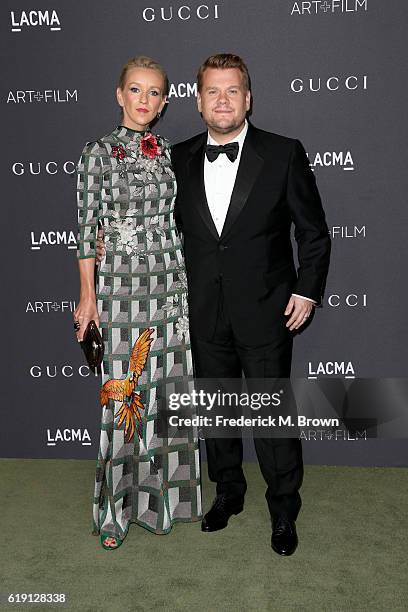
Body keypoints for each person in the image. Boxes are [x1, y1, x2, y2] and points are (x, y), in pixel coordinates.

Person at [170, 54, 331, 556]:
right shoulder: (174, 159)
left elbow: (313, 233)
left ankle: (284, 509)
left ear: (248, 98)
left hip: (266, 310)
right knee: (215, 414)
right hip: (201, 311)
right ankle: (228, 493)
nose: (223, 100)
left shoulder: (282, 153)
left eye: (233, 90)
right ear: (198, 102)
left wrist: (306, 290)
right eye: (213, 91)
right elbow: (155, 230)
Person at [74, 56, 202, 551]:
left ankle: (167, 501)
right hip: (121, 289)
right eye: (136, 90)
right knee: (124, 396)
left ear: (165, 101)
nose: (144, 100)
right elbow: (87, 231)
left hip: (169, 285)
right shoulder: (97, 153)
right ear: (119, 94)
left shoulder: (168, 151)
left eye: (154, 92)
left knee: (169, 390)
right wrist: (88, 295)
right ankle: (116, 512)